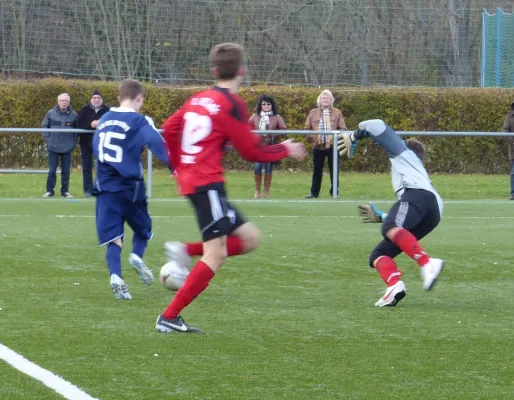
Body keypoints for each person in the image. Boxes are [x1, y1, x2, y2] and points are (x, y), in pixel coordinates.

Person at [159, 42, 306, 333]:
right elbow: (251, 152)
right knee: (216, 254)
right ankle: (170, 316)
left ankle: (185, 250)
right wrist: (284, 149)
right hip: (207, 184)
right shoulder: (231, 104)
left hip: (198, 181)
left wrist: (179, 165)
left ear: (214, 70)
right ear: (241, 71)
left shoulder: (198, 99)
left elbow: (170, 128)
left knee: (250, 238)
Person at [338, 119, 444, 307]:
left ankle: (428, 263)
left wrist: (354, 135)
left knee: (391, 227)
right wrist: (382, 217)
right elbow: (408, 218)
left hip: (419, 195)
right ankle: (394, 286)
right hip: (433, 212)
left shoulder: (402, 154)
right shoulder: (414, 171)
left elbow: (375, 124)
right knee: (378, 254)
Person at [93, 79, 170, 300]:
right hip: (131, 187)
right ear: (139, 98)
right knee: (143, 228)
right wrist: (175, 166)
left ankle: (116, 277)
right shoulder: (139, 120)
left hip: (106, 188)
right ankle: (136, 256)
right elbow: (157, 143)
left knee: (114, 237)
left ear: (118, 98)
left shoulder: (104, 119)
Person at [304, 89, 347, 199]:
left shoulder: (337, 112)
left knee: (334, 170)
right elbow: (306, 129)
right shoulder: (312, 113)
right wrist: (315, 138)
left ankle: (334, 193)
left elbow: (343, 128)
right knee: (317, 170)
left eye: (328, 98)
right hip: (318, 146)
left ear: (331, 100)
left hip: (333, 146)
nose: (326, 100)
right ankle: (314, 193)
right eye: (324, 98)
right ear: (320, 100)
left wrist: (337, 137)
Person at [249, 94, 287, 198]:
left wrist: (272, 135)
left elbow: (284, 130)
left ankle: (266, 192)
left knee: (268, 168)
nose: (266, 106)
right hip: (258, 147)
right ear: (260, 105)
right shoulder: (254, 116)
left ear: (272, 105)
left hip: (270, 146)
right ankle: (257, 191)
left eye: (268, 104)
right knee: (257, 167)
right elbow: (247, 129)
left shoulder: (276, 117)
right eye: (264, 104)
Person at [41, 93, 78, 198]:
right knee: (52, 170)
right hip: (53, 147)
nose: (64, 102)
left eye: (66, 101)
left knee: (66, 171)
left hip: (67, 148)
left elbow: (76, 132)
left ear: (69, 102)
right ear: (58, 101)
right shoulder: (50, 113)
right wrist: (49, 140)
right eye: (62, 100)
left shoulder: (74, 115)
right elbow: (44, 127)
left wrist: (72, 143)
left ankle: (65, 191)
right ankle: (49, 191)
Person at [76, 89, 110, 197]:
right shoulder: (84, 110)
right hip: (86, 143)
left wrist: (101, 124)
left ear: (102, 99)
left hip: (102, 143)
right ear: (91, 99)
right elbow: (79, 124)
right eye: (94, 98)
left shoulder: (108, 110)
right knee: (87, 166)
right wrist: (91, 125)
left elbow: (111, 124)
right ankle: (88, 190)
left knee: (103, 166)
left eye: (98, 98)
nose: (96, 100)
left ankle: (101, 188)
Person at [502, 100, 514, 200]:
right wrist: (512, 141)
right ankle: (513, 193)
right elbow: (505, 131)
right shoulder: (510, 117)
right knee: (513, 172)